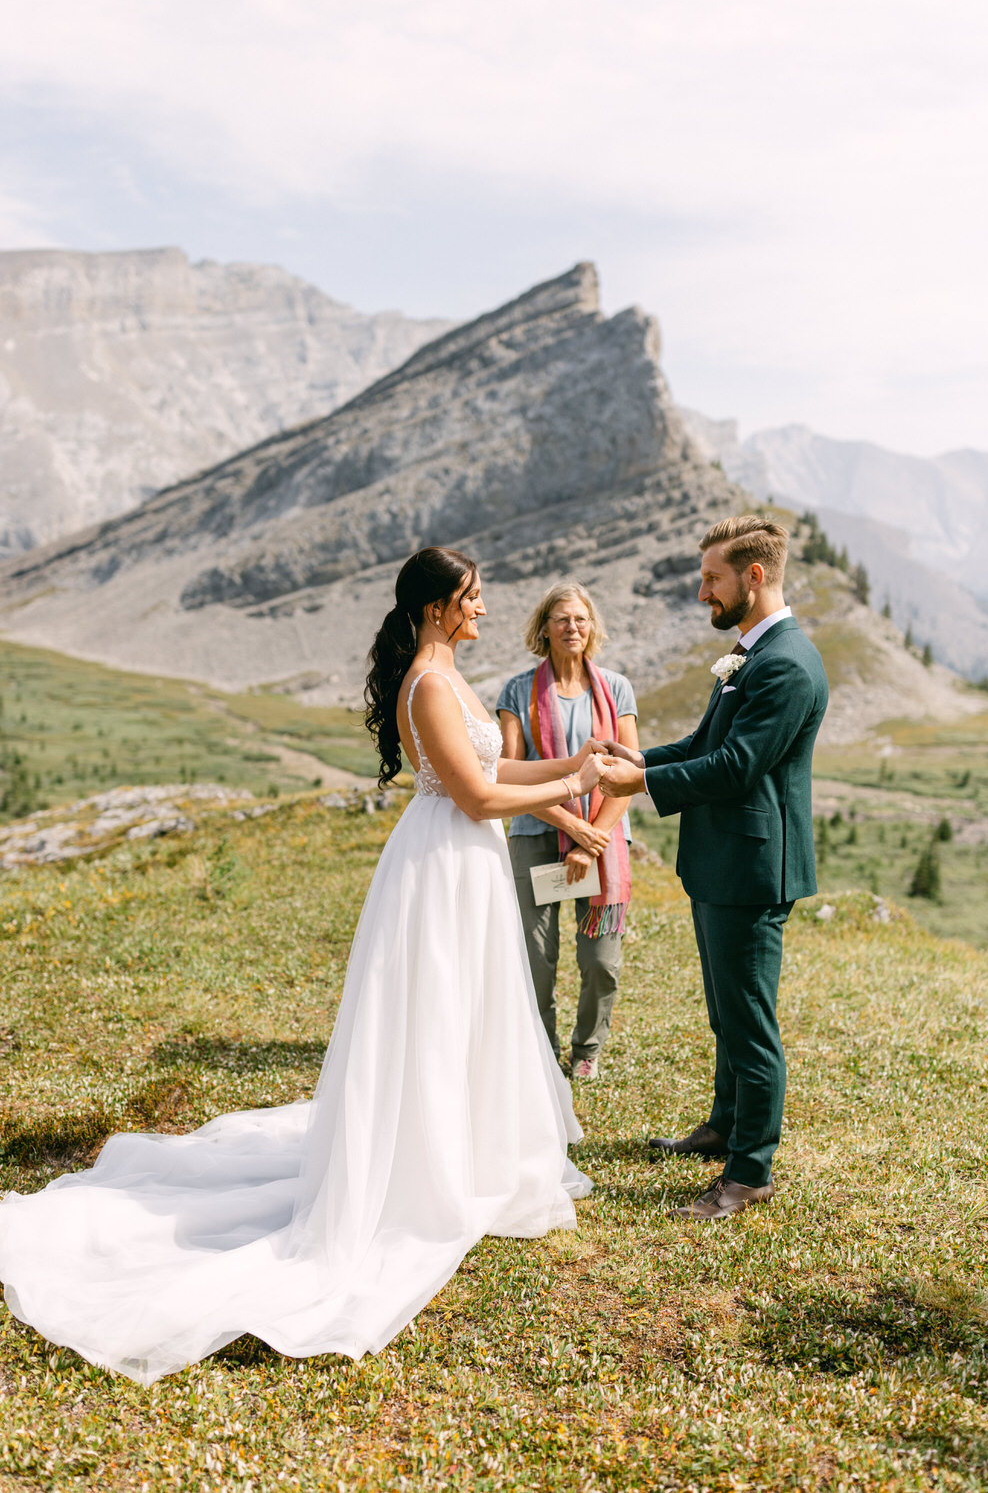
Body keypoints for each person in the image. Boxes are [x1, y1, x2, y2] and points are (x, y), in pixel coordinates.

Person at [0, 547, 608, 1383]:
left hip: (465, 864)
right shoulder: (429, 686)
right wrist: (567, 786)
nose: (483, 610)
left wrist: (576, 770)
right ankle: (422, 1170)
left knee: (467, 1014)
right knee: (432, 1016)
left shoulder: (453, 677)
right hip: (439, 865)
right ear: (436, 608)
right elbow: (474, 795)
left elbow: (496, 768)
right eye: (472, 598)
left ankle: (464, 1152)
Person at [598, 515, 827, 1221]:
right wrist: (637, 758)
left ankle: (749, 1169)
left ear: (752, 577)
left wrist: (635, 787)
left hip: (753, 872)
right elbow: (704, 741)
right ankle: (724, 1126)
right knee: (726, 1014)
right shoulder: (749, 654)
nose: (702, 592)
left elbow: (736, 766)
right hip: (723, 864)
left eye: (711, 578)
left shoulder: (785, 662)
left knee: (749, 1023)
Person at [497, 583, 638, 1081]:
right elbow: (507, 771)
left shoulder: (617, 689)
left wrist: (589, 837)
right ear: (544, 628)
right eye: (560, 619)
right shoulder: (516, 691)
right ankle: (540, 1050)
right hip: (536, 834)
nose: (571, 627)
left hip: (603, 840)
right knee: (536, 961)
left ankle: (587, 1050)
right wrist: (573, 827)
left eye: (580, 619)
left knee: (601, 962)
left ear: (592, 627)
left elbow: (628, 774)